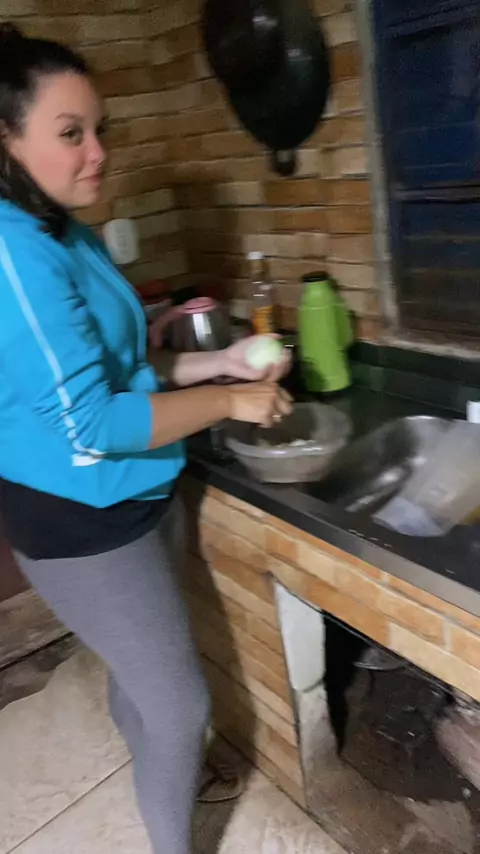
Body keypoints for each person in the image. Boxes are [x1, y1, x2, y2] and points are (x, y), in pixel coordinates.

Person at [0, 23, 292, 854]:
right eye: (70, 133)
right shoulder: (13, 253)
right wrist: (233, 399)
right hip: (79, 517)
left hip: (136, 487)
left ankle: (161, 774)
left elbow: (123, 368)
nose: (98, 153)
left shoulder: (64, 231)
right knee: (181, 704)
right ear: (6, 141)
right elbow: (92, 422)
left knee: (147, 683)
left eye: (101, 129)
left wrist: (216, 364)